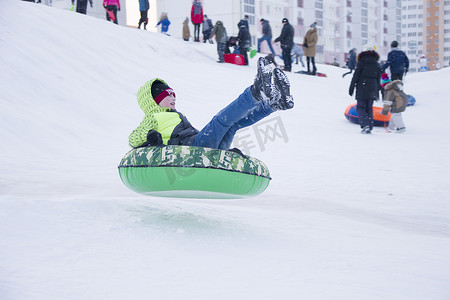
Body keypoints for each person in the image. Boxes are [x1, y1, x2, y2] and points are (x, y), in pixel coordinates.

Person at [128, 57, 294, 150]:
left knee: (232, 125)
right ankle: (255, 93)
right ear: (153, 101)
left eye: (173, 94)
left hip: (200, 147)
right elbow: (133, 138)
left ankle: (273, 104)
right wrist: (150, 136)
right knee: (221, 121)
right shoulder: (153, 117)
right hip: (193, 149)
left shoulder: (177, 115)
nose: (173, 98)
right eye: (167, 96)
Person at [349, 48, 382, 134]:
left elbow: (355, 76)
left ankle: (365, 125)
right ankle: (370, 126)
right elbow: (378, 79)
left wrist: (351, 88)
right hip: (373, 87)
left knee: (360, 107)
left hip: (362, 86)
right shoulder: (377, 64)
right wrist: (377, 91)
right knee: (369, 107)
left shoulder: (361, 63)